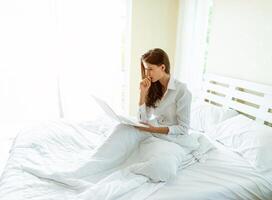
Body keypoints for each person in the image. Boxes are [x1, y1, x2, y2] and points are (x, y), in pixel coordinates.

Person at [22, 48, 192, 187]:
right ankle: (89, 166)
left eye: (150, 69)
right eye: (145, 68)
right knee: (122, 128)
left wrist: (155, 129)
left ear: (162, 67)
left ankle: (105, 169)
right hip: (153, 129)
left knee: (146, 150)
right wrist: (143, 93)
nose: (147, 73)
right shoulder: (152, 86)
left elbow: (184, 128)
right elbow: (143, 118)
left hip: (172, 136)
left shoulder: (182, 91)